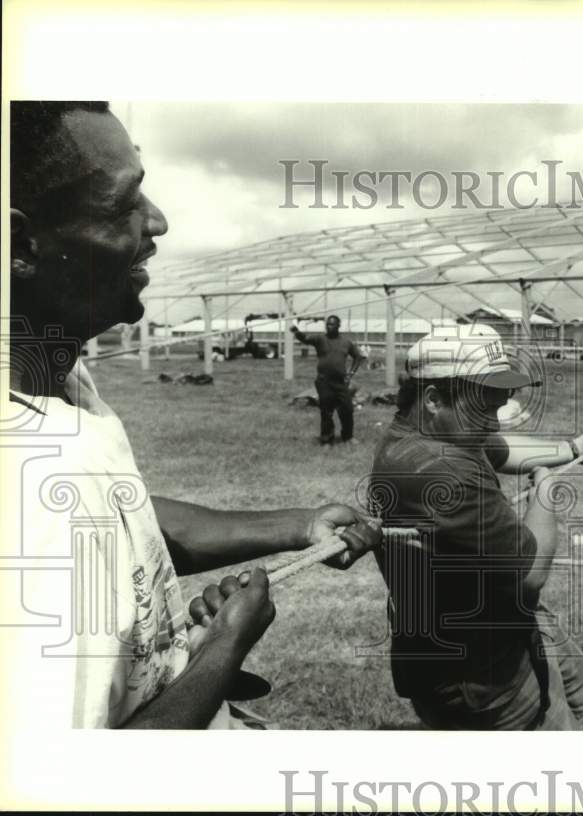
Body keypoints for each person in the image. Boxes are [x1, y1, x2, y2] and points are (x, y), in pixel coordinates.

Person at [6, 101, 380, 729]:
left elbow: (125, 520)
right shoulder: (27, 485)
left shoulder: (59, 379)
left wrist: (300, 523)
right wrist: (224, 649)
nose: (158, 221)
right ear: (20, 244)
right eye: (124, 203)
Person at [368, 324, 583, 729]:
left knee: (577, 685)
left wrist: (567, 449)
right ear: (433, 399)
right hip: (483, 675)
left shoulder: (440, 431)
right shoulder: (440, 472)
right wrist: (545, 490)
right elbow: (531, 576)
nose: (494, 422)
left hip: (506, 625)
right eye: (486, 407)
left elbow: (499, 449)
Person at [292, 315, 365, 446]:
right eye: (327, 325)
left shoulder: (346, 342)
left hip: (341, 382)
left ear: (338, 326)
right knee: (326, 411)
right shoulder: (320, 339)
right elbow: (305, 339)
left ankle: (348, 437)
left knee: (347, 409)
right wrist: (296, 332)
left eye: (332, 325)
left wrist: (351, 373)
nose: (329, 327)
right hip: (324, 381)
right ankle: (326, 440)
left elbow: (358, 357)